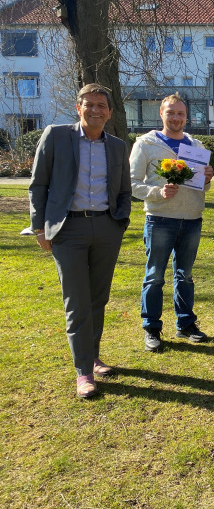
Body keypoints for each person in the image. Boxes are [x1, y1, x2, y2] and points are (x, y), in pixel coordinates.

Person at [28, 83, 131, 398]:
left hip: (106, 229)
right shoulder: (57, 136)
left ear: (110, 112)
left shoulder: (116, 146)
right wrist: (39, 228)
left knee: (98, 299)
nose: (96, 110)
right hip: (67, 230)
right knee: (76, 301)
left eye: (102, 105)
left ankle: (94, 355)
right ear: (78, 107)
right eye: (89, 104)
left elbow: (124, 189)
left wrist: (119, 223)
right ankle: (83, 372)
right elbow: (38, 184)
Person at [130, 92, 214, 352]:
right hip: (159, 219)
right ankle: (152, 328)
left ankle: (186, 323)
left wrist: (208, 178)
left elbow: (202, 188)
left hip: (191, 219)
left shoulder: (197, 147)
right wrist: (157, 192)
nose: (176, 118)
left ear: (186, 117)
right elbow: (131, 183)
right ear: (161, 114)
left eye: (180, 113)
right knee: (155, 276)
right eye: (171, 113)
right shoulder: (146, 144)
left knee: (185, 276)